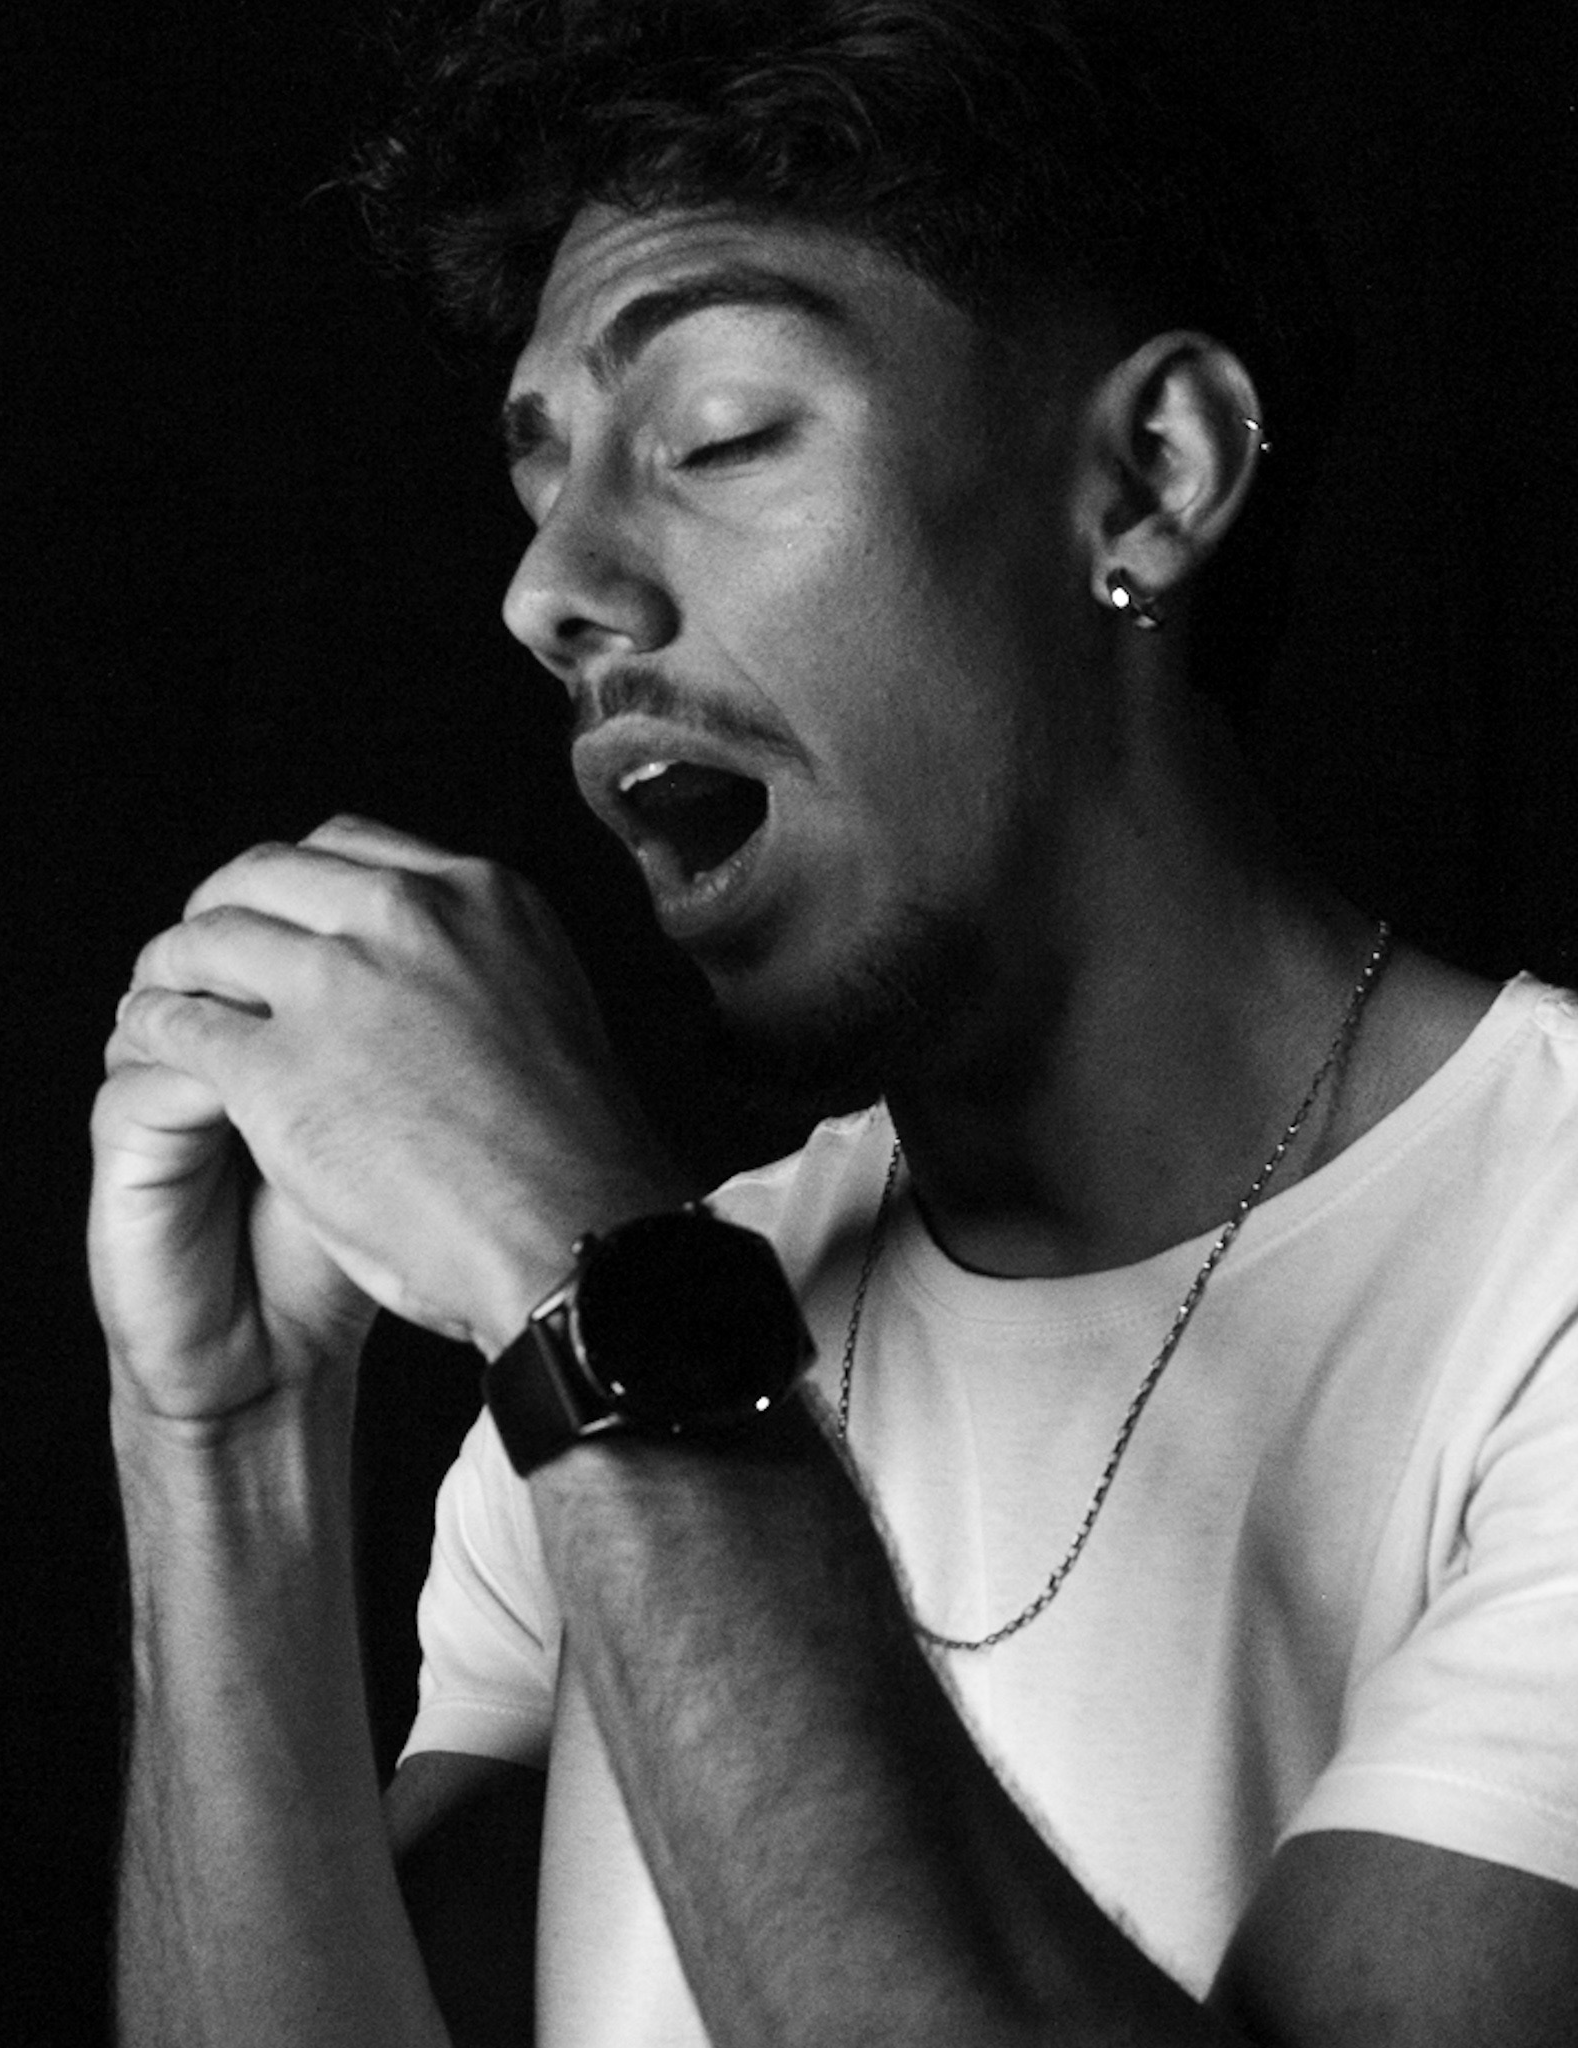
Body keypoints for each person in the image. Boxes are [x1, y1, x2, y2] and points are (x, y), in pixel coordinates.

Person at [90, 2, 1578, 2043]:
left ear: (1151, 474)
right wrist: (224, 1439)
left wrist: (594, 1295)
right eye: (541, 472)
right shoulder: (655, 1308)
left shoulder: (1544, 1253)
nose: (548, 588)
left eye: (717, 434)